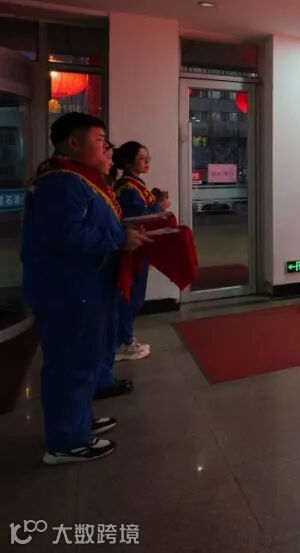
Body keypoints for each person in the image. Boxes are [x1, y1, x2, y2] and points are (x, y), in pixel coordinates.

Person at [22, 113, 151, 464]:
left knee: (85, 358)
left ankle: (78, 422)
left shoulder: (78, 178)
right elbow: (66, 234)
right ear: (73, 143)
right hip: (69, 288)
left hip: (86, 284)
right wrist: (119, 238)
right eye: (99, 140)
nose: (107, 147)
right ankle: (66, 442)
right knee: (71, 363)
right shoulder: (61, 183)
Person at [111, 141, 171, 361]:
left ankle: (124, 338)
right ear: (128, 163)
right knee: (131, 296)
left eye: (148, 158)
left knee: (132, 295)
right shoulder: (127, 188)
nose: (147, 163)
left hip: (137, 247)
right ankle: (122, 342)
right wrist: (160, 207)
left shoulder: (134, 185)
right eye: (142, 159)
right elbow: (140, 217)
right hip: (132, 249)